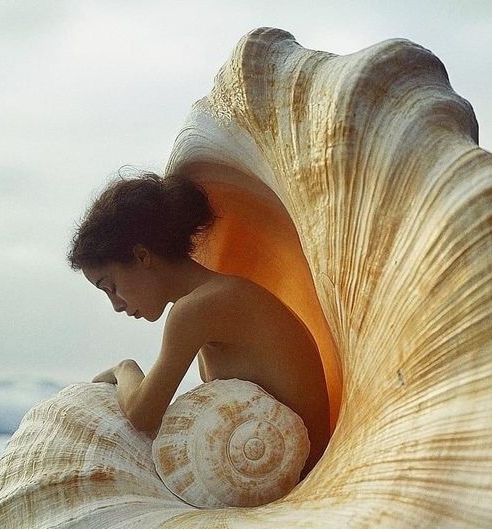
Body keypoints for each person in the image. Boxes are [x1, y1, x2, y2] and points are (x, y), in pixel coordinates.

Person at [68, 170, 331, 478]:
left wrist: (123, 369)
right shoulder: (213, 299)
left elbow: (143, 415)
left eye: (110, 286)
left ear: (142, 255)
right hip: (286, 470)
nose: (116, 304)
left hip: (298, 476)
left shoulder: (196, 309)